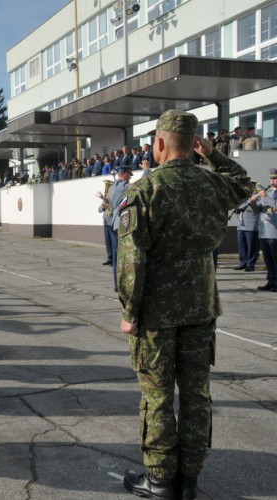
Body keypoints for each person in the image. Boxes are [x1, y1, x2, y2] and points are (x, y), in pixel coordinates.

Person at [117, 110, 252, 500]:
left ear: (158, 143)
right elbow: (246, 183)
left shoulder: (144, 191)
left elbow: (131, 263)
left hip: (156, 315)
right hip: (200, 309)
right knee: (196, 394)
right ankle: (189, 480)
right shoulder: (213, 183)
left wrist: (130, 312)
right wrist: (214, 155)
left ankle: (160, 481)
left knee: (158, 396)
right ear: (195, 143)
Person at [109, 165, 133, 291]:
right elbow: (137, 187)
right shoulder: (123, 185)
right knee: (123, 256)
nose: (129, 177)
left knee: (116, 255)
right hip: (122, 225)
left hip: (114, 224)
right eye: (129, 175)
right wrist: (146, 170)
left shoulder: (112, 187)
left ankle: (116, 284)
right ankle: (122, 283)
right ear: (124, 174)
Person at [254, 169, 277, 291]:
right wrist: (252, 201)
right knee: (268, 259)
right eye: (272, 179)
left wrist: (265, 197)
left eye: (275, 179)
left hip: (275, 232)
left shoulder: (268, 195)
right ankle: (271, 280)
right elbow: (258, 209)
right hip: (264, 232)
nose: (273, 181)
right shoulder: (267, 192)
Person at [233, 184, 260, 272]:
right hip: (241, 224)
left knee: (251, 247)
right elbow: (238, 208)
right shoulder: (242, 198)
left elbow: (258, 208)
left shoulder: (257, 197)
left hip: (251, 225)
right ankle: (243, 262)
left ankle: (250, 264)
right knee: (241, 245)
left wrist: (252, 201)